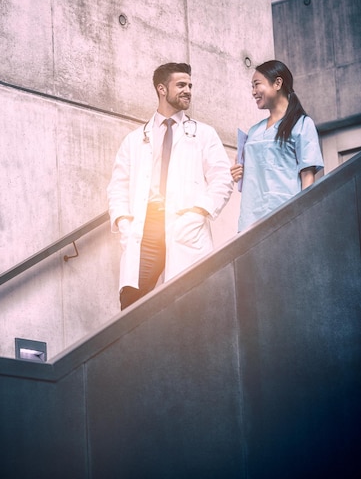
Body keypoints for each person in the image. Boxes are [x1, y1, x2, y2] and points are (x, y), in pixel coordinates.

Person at [107, 62, 233, 310]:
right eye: (181, 85)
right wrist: (124, 223)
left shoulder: (204, 134)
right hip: (146, 228)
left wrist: (199, 213)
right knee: (131, 303)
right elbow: (117, 186)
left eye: (190, 85)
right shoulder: (134, 140)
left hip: (185, 224)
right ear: (162, 89)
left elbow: (222, 178)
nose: (188, 90)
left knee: (189, 304)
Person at [231, 59, 324, 232]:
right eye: (252, 87)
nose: (253, 92)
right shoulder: (253, 132)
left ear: (278, 83)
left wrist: (305, 215)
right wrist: (239, 171)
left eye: (257, 84)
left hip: (286, 216)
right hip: (251, 219)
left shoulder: (302, 124)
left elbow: (307, 177)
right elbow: (253, 172)